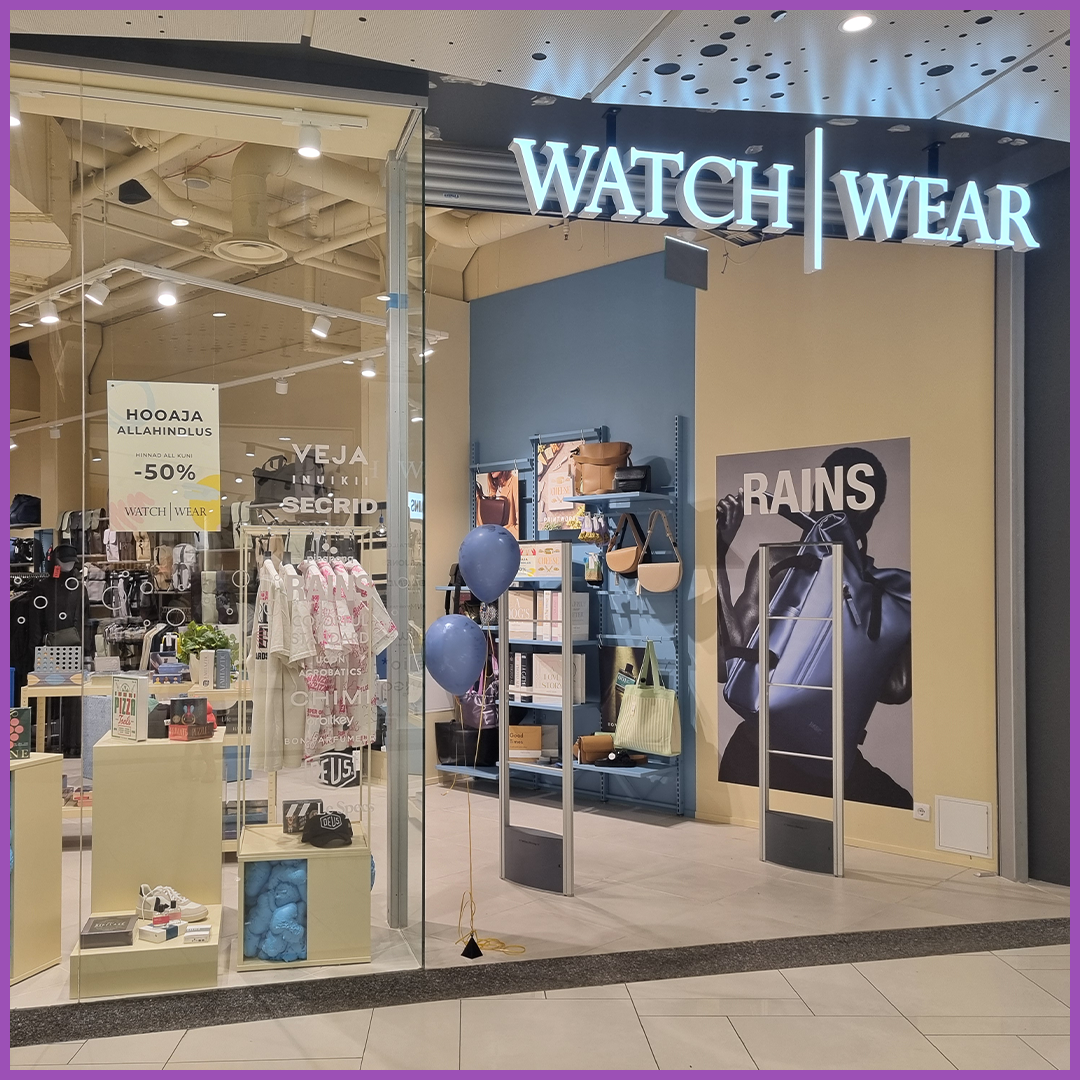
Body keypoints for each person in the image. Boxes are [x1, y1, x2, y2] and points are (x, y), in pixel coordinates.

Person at [716, 446, 913, 809]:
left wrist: (718, 552)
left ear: (815, 497)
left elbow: (728, 663)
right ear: (872, 514)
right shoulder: (891, 595)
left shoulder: (777, 559)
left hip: (756, 754)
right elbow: (897, 690)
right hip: (822, 762)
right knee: (899, 805)